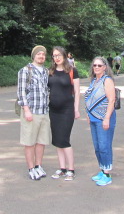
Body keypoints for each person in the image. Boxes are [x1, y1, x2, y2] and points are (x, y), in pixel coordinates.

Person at [17, 45, 51, 180]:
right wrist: (26, 110)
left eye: (43, 54)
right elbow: (21, 92)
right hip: (31, 111)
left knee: (41, 141)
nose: (41, 56)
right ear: (33, 56)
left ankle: (38, 166)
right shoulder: (25, 71)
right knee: (29, 141)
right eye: (38, 54)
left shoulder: (46, 71)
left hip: (44, 110)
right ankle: (31, 168)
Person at [48, 46, 80, 181]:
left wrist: (76, 109)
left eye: (59, 55)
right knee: (56, 140)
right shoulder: (50, 71)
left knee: (64, 139)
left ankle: (71, 169)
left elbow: (77, 92)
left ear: (64, 56)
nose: (57, 58)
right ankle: (62, 168)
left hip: (67, 110)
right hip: (53, 110)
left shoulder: (72, 71)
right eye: (54, 55)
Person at [85, 56, 117, 186]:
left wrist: (107, 118)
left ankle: (107, 174)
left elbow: (112, 100)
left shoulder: (107, 80)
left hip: (104, 118)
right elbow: (89, 98)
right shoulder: (94, 81)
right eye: (95, 65)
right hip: (93, 118)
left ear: (105, 67)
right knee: (97, 147)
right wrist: (88, 113)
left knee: (104, 146)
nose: (96, 67)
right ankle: (102, 170)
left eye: (99, 65)